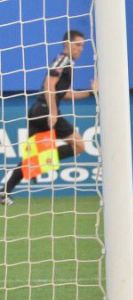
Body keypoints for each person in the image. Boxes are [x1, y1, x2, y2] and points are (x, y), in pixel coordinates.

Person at [1, 30, 96, 205]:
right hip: (45, 111)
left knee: (32, 159)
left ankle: (4, 191)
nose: (80, 49)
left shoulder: (68, 64)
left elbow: (65, 94)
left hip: (38, 111)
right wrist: (53, 111)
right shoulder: (63, 59)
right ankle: (40, 164)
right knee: (79, 146)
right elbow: (49, 84)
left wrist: (90, 92)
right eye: (77, 44)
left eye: (83, 45)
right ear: (67, 44)